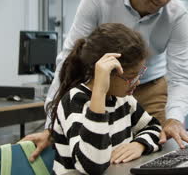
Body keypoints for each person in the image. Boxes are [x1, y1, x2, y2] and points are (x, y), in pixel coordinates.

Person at [22, 0, 188, 162]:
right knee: (99, 150)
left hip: (150, 86)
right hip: (102, 86)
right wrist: (52, 125)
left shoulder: (177, 14)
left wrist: (174, 119)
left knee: (157, 152)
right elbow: (69, 57)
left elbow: (179, 75)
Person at [49, 23, 161, 174]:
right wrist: (100, 93)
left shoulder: (124, 100)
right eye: (130, 77)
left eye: (139, 74)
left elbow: (154, 127)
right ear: (105, 73)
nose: (137, 82)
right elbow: (93, 165)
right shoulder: (75, 101)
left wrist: (139, 144)